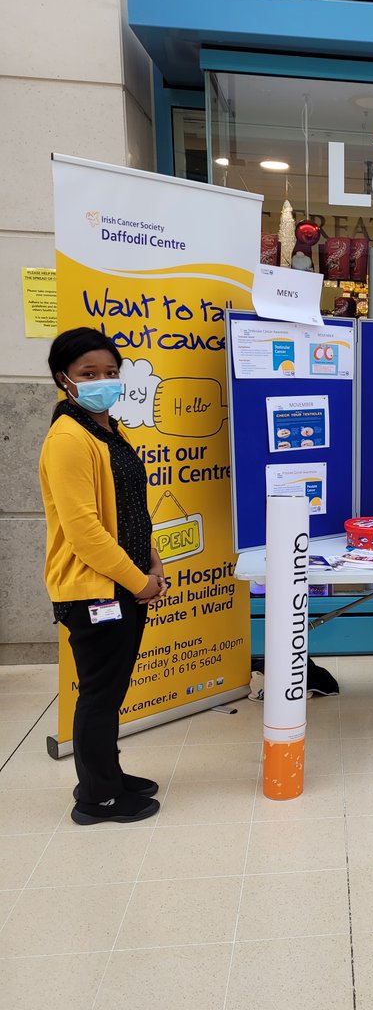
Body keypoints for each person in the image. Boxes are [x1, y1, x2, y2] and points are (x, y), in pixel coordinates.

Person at [40, 328, 166, 825]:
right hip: (96, 590)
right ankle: (97, 798)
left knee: (110, 691)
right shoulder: (68, 439)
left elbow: (129, 508)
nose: (103, 381)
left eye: (110, 372)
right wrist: (138, 583)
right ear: (64, 379)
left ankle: (107, 775)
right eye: (88, 373)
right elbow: (85, 533)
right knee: (98, 694)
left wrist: (152, 560)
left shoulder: (108, 430)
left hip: (125, 580)